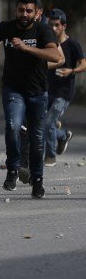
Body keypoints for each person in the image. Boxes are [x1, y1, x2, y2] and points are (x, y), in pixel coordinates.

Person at [0, 0, 60, 198]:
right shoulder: (6, 27)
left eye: (29, 10)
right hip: (13, 89)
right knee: (13, 126)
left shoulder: (42, 29)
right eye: (21, 10)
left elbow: (55, 56)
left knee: (37, 138)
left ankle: (37, 180)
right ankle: (13, 170)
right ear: (16, 10)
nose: (24, 14)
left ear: (35, 13)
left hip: (38, 91)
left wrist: (26, 47)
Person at [43, 9, 84, 165]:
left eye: (57, 25)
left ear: (64, 26)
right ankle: (62, 135)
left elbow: (84, 64)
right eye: (51, 25)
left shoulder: (72, 44)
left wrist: (71, 70)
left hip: (64, 92)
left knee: (48, 123)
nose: (54, 29)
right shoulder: (48, 44)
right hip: (47, 89)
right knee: (43, 122)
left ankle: (50, 156)